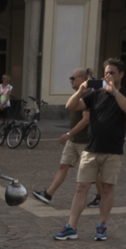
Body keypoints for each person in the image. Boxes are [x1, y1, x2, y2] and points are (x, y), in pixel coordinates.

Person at [54, 57, 126, 242]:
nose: (107, 76)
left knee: (107, 188)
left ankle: (102, 225)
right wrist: (81, 91)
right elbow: (70, 106)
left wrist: (114, 91)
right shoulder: (96, 94)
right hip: (91, 149)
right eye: (106, 72)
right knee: (81, 187)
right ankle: (71, 226)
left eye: (112, 73)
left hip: (113, 151)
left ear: (121, 75)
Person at [34, 69, 96, 204]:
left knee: (93, 172)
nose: (70, 80)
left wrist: (69, 134)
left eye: (73, 78)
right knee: (63, 166)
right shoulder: (79, 93)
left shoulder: (89, 95)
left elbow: (86, 119)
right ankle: (48, 194)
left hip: (84, 141)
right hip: (74, 140)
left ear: (82, 78)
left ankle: (102, 197)